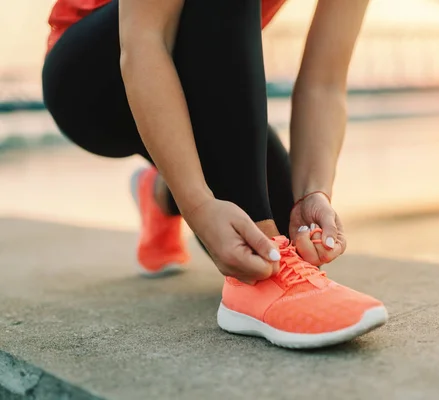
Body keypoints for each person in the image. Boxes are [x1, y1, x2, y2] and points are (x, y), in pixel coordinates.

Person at [42, 0, 388, 349]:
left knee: (285, 227)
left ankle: (160, 194)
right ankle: (252, 289)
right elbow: (143, 41)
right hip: (94, 82)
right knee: (263, 244)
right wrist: (197, 204)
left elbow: (324, 83)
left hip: (194, 82)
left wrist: (313, 193)